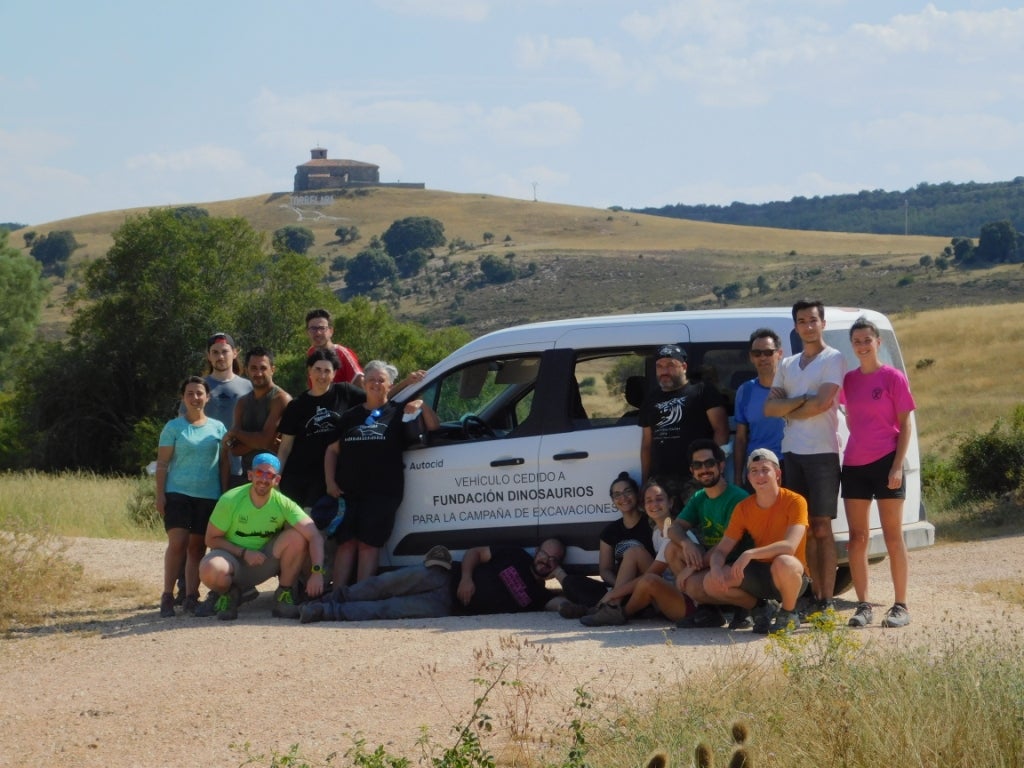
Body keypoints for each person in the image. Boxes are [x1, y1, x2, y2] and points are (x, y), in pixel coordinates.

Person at [324, 360, 439, 586]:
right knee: (345, 543)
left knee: (369, 544)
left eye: (381, 380)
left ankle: (360, 596)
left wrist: (423, 406)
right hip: (348, 493)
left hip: (383, 493)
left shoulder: (398, 413)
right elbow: (331, 450)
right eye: (371, 380)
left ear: (390, 385)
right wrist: (330, 482)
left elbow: (434, 426)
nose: (376, 384)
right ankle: (337, 596)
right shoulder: (350, 416)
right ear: (364, 383)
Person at [764, 299, 844, 613]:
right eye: (801, 321)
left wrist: (790, 407)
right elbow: (769, 409)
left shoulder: (833, 358)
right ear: (795, 326)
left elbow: (824, 403)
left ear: (822, 323)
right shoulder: (786, 364)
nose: (808, 326)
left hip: (822, 452)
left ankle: (827, 598)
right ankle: (812, 596)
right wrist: (803, 402)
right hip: (792, 452)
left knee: (823, 527)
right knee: (804, 527)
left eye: (813, 320)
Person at [841, 317, 916, 628]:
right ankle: (863, 605)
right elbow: (847, 415)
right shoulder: (849, 380)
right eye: (856, 341)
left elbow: (906, 423)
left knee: (892, 536)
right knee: (856, 539)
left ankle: (900, 605)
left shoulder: (893, 377)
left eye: (867, 340)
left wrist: (898, 464)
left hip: (887, 461)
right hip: (854, 464)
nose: (862, 346)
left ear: (878, 342)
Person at [298, 540, 566, 622]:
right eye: (545, 554)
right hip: (444, 574)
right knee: (382, 585)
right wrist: (467, 579)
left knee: (386, 610)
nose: (546, 561)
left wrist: (563, 577)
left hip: (446, 607)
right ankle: (325, 599)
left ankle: (323, 612)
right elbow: (474, 551)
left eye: (554, 560)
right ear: (538, 551)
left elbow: (565, 606)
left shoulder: (539, 597)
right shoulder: (515, 553)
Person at [197, 453, 326, 620]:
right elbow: (211, 539)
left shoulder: (283, 503)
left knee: (297, 537)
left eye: (270, 475)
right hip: (232, 559)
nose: (264, 479)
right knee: (211, 568)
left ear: (276, 480)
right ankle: (228, 595)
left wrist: (317, 572)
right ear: (250, 475)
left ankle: (283, 598)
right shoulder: (230, 499)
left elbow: (314, 535)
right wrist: (244, 552)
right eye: (259, 473)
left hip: (262, 561)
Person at [703, 448, 810, 635]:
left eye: (765, 469)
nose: (759, 475)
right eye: (754, 470)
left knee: (784, 561)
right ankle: (762, 607)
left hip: (790, 574)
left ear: (777, 474)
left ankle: (788, 613)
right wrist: (716, 568)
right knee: (711, 583)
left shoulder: (795, 501)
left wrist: (750, 553)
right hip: (759, 573)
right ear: (749, 477)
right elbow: (721, 550)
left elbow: (789, 546)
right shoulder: (743, 508)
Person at [155, 376, 229, 617]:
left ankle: (191, 597)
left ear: (208, 397)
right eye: (190, 393)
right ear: (183, 398)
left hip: (208, 495)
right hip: (178, 493)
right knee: (178, 544)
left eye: (200, 393)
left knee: (197, 548)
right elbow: (163, 463)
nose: (195, 398)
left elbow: (223, 464)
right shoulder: (173, 427)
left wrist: (225, 495)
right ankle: (167, 595)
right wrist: (160, 495)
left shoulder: (218, 428)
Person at [578, 477, 688, 626]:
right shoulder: (656, 532)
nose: (654, 504)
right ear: (644, 505)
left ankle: (615, 610)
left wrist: (613, 593)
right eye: (649, 500)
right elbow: (605, 569)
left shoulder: (674, 533)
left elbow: (652, 573)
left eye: (659, 499)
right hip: (664, 593)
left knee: (649, 580)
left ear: (671, 502)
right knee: (634, 552)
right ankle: (612, 607)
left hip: (685, 603)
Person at [668, 439, 751, 629]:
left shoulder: (738, 497)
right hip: (715, 561)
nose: (704, 469)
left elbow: (731, 543)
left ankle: (750, 607)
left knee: (697, 581)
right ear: (692, 471)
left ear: (721, 466)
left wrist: (693, 568)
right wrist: (686, 544)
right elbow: (673, 528)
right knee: (673, 549)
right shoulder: (699, 497)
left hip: (738, 563)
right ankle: (709, 611)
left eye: (709, 463)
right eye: (698, 465)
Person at [277, 348, 366, 512]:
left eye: (327, 371)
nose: (322, 376)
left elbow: (377, 401)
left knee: (311, 523)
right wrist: (275, 478)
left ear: (334, 374)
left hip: (329, 477)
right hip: (297, 476)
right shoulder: (296, 406)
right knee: (294, 526)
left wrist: (410, 394)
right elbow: (285, 448)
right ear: (309, 371)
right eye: (318, 369)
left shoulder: (345, 392)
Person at [558, 471, 656, 616]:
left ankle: (596, 610)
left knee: (635, 557)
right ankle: (619, 605)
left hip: (646, 581)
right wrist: (619, 586)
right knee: (571, 582)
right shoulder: (610, 531)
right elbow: (605, 569)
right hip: (619, 586)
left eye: (627, 492)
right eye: (617, 495)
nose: (623, 498)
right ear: (613, 500)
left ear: (637, 494)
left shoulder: (651, 522)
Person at [639, 344, 728, 496]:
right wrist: (645, 481)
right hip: (661, 480)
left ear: (684, 366)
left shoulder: (702, 390)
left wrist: (713, 468)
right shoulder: (651, 399)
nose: (664, 371)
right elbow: (647, 444)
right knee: (664, 520)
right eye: (659, 366)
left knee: (697, 519)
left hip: (696, 477)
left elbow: (721, 430)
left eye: (670, 365)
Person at [196, 332, 253, 485]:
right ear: (208, 356)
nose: (220, 357)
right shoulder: (198, 388)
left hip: (240, 466)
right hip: (205, 468)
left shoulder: (249, 387)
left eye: (225, 351)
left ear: (235, 353)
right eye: (215, 352)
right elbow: (185, 424)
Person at [225, 346, 292, 473]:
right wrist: (263, 442)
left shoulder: (281, 399)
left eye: (263, 368)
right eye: (254, 368)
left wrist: (236, 432)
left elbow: (264, 441)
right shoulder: (242, 402)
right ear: (246, 370)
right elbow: (234, 449)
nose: (258, 373)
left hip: (273, 477)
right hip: (247, 475)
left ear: (272, 370)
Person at [733, 328, 786, 488]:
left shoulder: (791, 386)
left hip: (789, 465)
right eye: (757, 353)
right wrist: (737, 476)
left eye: (768, 352)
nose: (763, 357)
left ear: (779, 354)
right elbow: (741, 438)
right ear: (751, 357)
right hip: (757, 466)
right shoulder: (745, 391)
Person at [305, 308, 364, 386]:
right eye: (313, 329)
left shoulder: (342, 354)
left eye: (322, 328)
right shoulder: (311, 352)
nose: (318, 333)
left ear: (331, 331)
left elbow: (360, 381)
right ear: (307, 332)